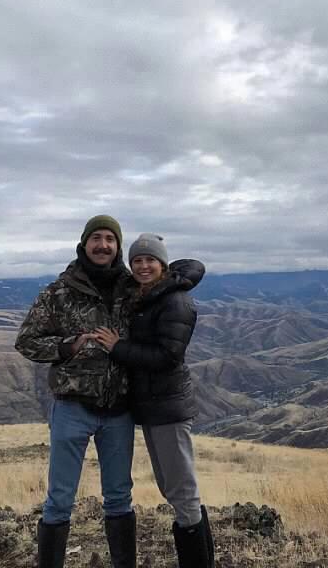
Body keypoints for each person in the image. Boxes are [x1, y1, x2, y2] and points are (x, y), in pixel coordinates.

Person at [14, 215, 137, 568]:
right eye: (96, 238)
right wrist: (67, 346)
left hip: (119, 409)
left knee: (119, 498)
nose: (103, 245)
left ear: (118, 246)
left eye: (110, 238)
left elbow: (166, 288)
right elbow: (26, 341)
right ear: (84, 244)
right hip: (72, 408)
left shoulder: (132, 290)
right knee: (59, 500)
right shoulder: (59, 292)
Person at [90, 233, 214, 568]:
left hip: (168, 408)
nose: (143, 266)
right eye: (137, 261)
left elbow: (167, 356)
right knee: (174, 490)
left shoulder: (175, 301)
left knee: (182, 492)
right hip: (155, 408)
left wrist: (118, 348)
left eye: (150, 260)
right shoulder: (148, 295)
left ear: (163, 264)